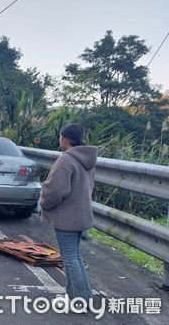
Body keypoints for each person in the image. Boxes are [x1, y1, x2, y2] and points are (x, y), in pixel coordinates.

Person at [39, 123, 97, 302]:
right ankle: (81, 294)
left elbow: (56, 190)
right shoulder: (86, 158)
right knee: (75, 256)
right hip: (81, 214)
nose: (59, 139)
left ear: (65, 138)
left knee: (70, 258)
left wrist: (44, 203)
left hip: (67, 217)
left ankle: (78, 298)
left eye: (60, 136)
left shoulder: (66, 160)